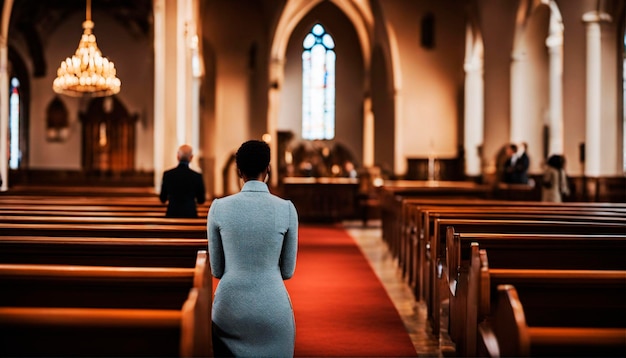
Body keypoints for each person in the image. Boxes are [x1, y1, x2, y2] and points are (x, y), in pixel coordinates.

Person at [208, 139, 299, 357]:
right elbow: (287, 271)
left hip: (229, 310)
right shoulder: (286, 209)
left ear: (238, 170)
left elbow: (217, 270)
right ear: (268, 169)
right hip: (273, 310)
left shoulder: (218, 208)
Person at [159, 144, 206, 217]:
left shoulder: (168, 175)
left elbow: (162, 199)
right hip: (190, 215)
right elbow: (201, 200)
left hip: (172, 215)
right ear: (191, 157)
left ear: (177, 156)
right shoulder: (197, 176)